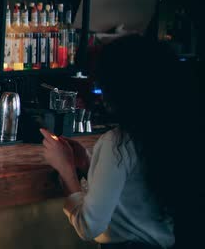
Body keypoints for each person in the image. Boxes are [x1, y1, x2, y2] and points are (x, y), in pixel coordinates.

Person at [40, 34, 202, 249]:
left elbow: (89, 226)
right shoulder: (170, 133)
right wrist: (89, 164)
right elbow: (131, 196)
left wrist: (66, 170)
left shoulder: (118, 142)